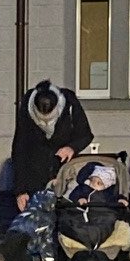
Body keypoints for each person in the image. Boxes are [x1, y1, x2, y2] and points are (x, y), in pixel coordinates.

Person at [11, 80, 93, 209]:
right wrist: (21, 190)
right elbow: (19, 149)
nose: (45, 122)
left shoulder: (69, 103)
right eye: (41, 118)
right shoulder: (27, 105)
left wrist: (71, 148)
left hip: (63, 176)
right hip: (34, 178)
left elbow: (86, 135)